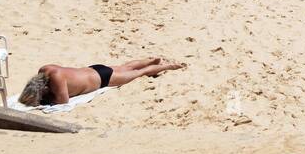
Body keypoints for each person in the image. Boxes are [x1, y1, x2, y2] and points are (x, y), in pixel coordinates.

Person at [17, 58, 186, 106]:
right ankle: (151, 60)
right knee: (124, 67)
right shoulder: (45, 69)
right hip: (94, 69)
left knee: (138, 73)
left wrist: (46, 100)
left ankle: (168, 66)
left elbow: (63, 100)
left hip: (102, 80)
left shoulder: (56, 81)